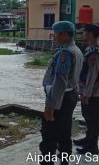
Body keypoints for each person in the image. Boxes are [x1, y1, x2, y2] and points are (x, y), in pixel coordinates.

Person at [40, 21, 83, 165]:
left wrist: (51, 106)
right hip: (70, 96)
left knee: (49, 135)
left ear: (64, 34)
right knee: (65, 132)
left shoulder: (65, 53)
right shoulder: (76, 49)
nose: (54, 37)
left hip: (60, 98)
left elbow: (60, 81)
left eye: (56, 34)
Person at [74, 23, 99, 155]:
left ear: (91, 33)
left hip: (91, 93)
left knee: (92, 119)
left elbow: (92, 75)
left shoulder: (94, 52)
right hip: (88, 91)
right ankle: (88, 140)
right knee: (88, 117)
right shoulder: (91, 48)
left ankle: (92, 146)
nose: (83, 34)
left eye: (84, 32)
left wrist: (86, 95)